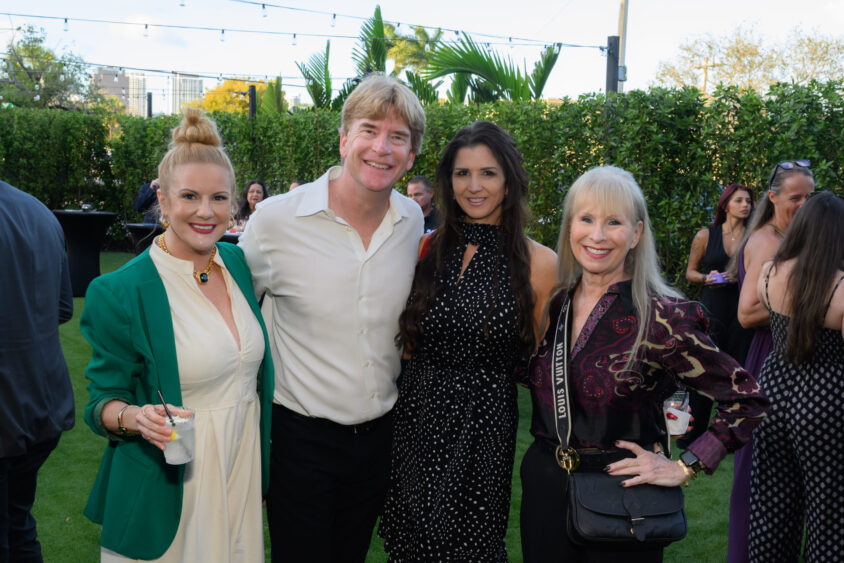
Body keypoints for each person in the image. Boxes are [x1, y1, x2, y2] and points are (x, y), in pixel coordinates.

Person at [519, 166, 770, 562]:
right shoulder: (555, 303)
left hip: (624, 500)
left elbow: (747, 398)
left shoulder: (664, 316)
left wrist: (688, 464)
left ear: (636, 234)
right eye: (586, 219)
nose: (597, 235)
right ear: (570, 227)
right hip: (545, 490)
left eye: (614, 222)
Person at [238, 74, 426, 563]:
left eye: (398, 137)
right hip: (299, 440)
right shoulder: (275, 221)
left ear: (412, 155)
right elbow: (233, 314)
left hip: (380, 438)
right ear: (344, 139)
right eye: (369, 130)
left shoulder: (413, 222)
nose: (381, 147)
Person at [80, 108, 274, 561]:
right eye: (189, 196)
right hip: (169, 486)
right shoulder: (119, 290)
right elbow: (101, 403)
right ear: (163, 202)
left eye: (219, 198)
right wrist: (134, 417)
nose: (206, 212)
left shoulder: (239, 265)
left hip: (239, 469)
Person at [378, 122, 557, 561]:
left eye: (488, 173)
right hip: (415, 416)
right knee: (410, 544)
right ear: (448, 181)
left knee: (471, 546)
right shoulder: (424, 248)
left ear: (510, 180)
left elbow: (541, 360)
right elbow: (406, 343)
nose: (474, 187)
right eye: (462, 174)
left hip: (484, 424)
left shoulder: (541, 263)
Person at [726, 159, 814, 563]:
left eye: (810, 197)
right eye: (796, 197)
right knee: (758, 479)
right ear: (773, 197)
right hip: (769, 359)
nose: (804, 204)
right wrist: (815, 303)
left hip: (798, 358)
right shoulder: (766, 242)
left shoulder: (797, 236)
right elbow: (747, 315)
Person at [749, 192, 844, 561]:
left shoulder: (770, 271)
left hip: (773, 389)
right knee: (831, 511)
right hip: (828, 398)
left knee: (771, 505)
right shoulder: (839, 288)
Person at [0, 180, 74, 562]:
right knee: (19, 524)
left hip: (10, 410)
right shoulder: (40, 211)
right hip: (43, 406)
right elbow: (63, 308)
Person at [680, 183, 755, 448]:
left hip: (741, 309)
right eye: (739, 200)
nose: (745, 205)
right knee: (704, 368)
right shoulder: (705, 235)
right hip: (711, 307)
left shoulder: (754, 236)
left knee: (737, 371)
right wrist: (706, 277)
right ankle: (694, 431)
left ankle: (733, 434)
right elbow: (690, 272)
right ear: (725, 205)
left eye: (748, 201)